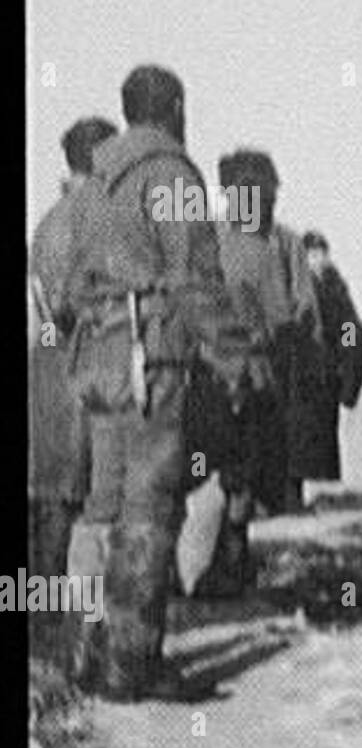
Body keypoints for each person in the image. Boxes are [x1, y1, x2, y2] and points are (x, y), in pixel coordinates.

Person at [62, 65, 232, 701]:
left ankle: (84, 651)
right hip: (149, 362)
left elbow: (71, 286)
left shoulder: (93, 182)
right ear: (176, 109)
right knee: (149, 510)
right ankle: (132, 666)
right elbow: (196, 280)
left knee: (100, 504)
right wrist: (236, 357)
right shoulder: (170, 173)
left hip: (99, 361)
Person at [182, 148, 318, 595]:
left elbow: (302, 316)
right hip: (234, 377)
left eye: (266, 194)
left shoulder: (229, 239)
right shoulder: (274, 243)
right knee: (231, 472)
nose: (263, 202)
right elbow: (302, 317)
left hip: (235, 376)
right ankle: (219, 564)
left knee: (231, 472)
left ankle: (222, 563)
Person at [28, 117, 118, 653]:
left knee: (50, 505)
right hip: (73, 374)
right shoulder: (86, 220)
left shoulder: (49, 221)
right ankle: (65, 635)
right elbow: (70, 305)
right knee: (73, 505)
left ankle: (45, 624)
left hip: (46, 372)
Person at [292, 230, 362, 507]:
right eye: (311, 255)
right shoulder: (292, 284)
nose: (317, 260)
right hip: (296, 373)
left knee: (318, 442)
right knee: (293, 440)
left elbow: (349, 331)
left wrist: (348, 370)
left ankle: (313, 496)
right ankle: (292, 496)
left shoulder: (336, 290)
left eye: (321, 254)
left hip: (324, 375)